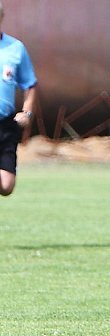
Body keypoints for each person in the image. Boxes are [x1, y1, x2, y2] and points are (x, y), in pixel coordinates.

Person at [0, 1, 37, 197]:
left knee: (6, 186)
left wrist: (27, 112)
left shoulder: (15, 47)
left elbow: (29, 83)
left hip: (6, 124)